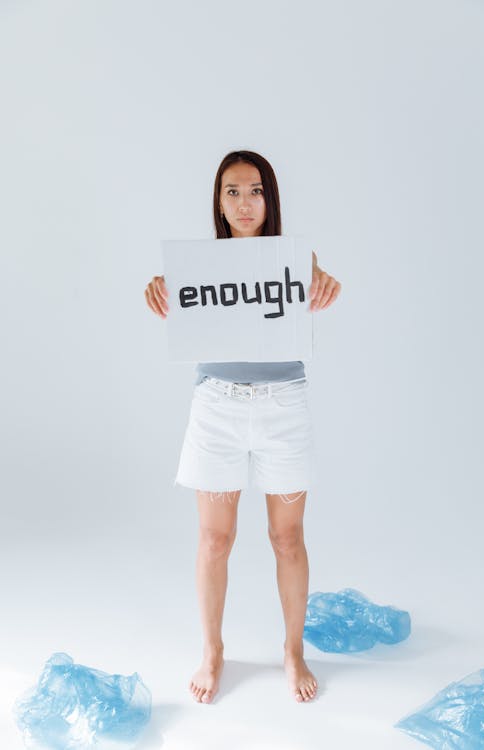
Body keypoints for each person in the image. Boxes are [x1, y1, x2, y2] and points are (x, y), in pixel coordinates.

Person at [145, 150, 341, 705]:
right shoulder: (198, 266)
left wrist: (323, 283)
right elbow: (170, 296)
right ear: (219, 201)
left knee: (287, 537)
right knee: (214, 538)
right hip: (218, 408)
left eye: (255, 190)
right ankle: (212, 651)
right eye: (232, 191)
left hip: (283, 405)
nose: (244, 202)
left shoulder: (297, 257)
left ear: (269, 198)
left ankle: (293, 649)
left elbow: (318, 281)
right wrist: (158, 291)